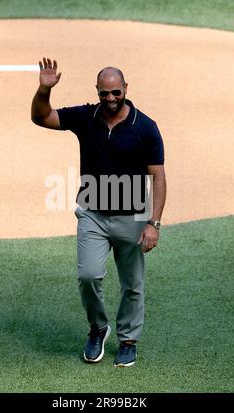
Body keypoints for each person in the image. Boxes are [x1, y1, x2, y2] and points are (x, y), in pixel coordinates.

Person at [31, 57, 166, 367]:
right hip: (92, 212)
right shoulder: (85, 117)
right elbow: (41, 117)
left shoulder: (145, 127)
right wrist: (43, 90)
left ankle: (128, 339)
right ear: (97, 91)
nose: (110, 99)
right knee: (88, 275)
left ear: (125, 89)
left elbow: (158, 177)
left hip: (132, 216)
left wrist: (153, 223)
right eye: (104, 94)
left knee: (132, 283)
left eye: (116, 93)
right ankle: (98, 328)